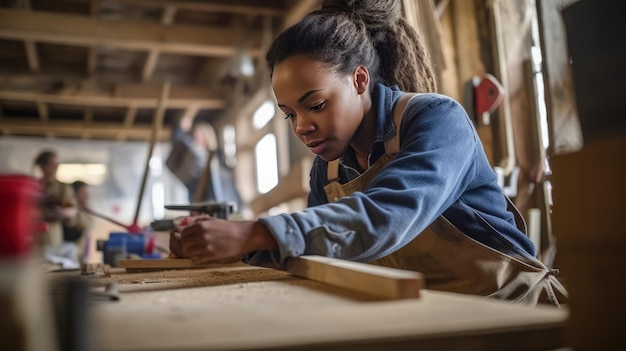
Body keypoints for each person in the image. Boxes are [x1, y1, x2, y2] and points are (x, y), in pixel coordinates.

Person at [170, 0, 568, 306]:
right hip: (430, 318)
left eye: (316, 105)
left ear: (359, 79)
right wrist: (224, 244)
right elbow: (318, 254)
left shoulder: (436, 120)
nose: (301, 127)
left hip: (515, 313)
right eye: (289, 114)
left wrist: (254, 230)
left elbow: (388, 213)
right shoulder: (326, 172)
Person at [33, 149, 80, 268]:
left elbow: (72, 211)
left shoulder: (62, 188)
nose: (56, 168)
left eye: (57, 165)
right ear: (42, 166)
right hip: (33, 242)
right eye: (52, 165)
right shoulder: (32, 186)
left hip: (53, 241)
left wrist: (57, 213)